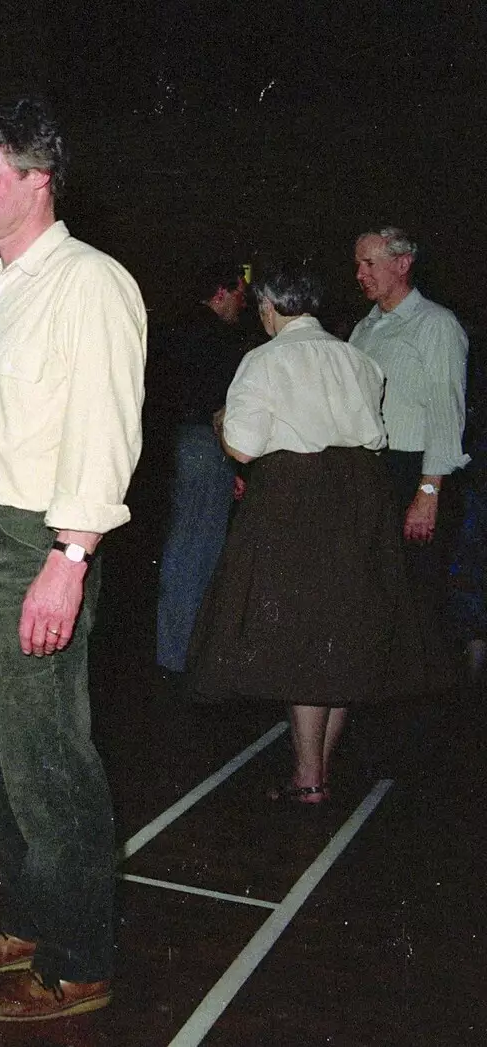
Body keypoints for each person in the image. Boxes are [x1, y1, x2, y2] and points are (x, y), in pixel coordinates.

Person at [0, 98, 144, 1022]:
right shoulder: (2, 284)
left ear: (38, 179)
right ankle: (29, 919)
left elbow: (103, 429)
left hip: (37, 541)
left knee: (47, 761)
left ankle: (77, 960)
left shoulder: (89, 283)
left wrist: (71, 554)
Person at [188, 263, 430, 800]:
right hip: (362, 495)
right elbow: (376, 432)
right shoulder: (359, 359)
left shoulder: (265, 360)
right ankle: (315, 769)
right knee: (343, 634)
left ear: (270, 308)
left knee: (302, 638)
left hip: (294, 499)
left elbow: (243, 447)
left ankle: (307, 778)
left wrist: (221, 421)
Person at [349, 228, 470, 637]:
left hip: (411, 471)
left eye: (370, 264)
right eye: (358, 265)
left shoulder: (435, 325)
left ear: (402, 264)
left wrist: (428, 492)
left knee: (413, 593)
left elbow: (446, 413)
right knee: (374, 591)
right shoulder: (364, 328)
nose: (360, 274)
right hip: (371, 470)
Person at [153, 264, 252, 676]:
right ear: (221, 292)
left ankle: (173, 650)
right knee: (197, 552)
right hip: (203, 446)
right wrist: (234, 461)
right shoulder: (218, 338)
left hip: (170, 446)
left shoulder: (168, 328)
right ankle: (184, 656)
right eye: (240, 294)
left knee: (178, 549)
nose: (243, 303)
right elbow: (224, 410)